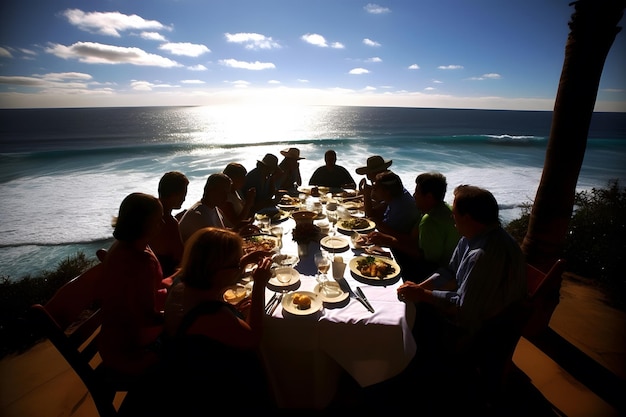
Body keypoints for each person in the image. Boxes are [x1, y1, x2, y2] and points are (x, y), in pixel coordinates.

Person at [120, 227, 275, 415]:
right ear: (216, 270)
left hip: (178, 360)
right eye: (236, 264)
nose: (239, 269)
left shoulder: (181, 282)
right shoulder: (211, 314)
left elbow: (218, 269)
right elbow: (253, 338)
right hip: (203, 385)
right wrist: (259, 285)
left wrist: (244, 261)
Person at [397, 185, 527, 361]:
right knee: (414, 305)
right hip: (473, 306)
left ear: (467, 217)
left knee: (416, 322)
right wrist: (420, 288)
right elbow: (450, 271)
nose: (452, 216)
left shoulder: (483, 255)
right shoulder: (470, 236)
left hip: (484, 326)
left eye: (455, 212)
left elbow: (463, 310)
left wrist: (422, 295)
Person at [98, 192, 168, 378]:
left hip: (112, 342)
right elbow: (146, 317)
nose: (163, 223)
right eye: (158, 220)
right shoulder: (139, 260)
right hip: (130, 351)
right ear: (142, 224)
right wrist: (180, 315)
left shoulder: (124, 245)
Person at [368, 172, 460, 282]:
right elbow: (413, 239)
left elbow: (424, 259)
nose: (414, 196)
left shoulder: (430, 221)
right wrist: (387, 239)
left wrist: (391, 241)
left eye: (417, 192)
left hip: (437, 273)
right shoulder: (443, 208)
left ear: (429, 197)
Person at [149, 171, 189, 278]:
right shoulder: (169, 223)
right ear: (174, 194)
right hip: (164, 276)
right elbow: (181, 256)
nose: (184, 199)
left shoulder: (149, 213)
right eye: (183, 194)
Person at [178, 173, 231, 243]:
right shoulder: (197, 215)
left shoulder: (214, 209)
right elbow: (215, 244)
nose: (226, 197)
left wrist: (238, 230)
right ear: (210, 190)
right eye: (223, 192)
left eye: (227, 193)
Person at [355, 155, 393, 220]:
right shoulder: (391, 182)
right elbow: (378, 201)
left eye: (369, 174)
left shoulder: (390, 189)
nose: (368, 176)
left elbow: (370, 215)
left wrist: (366, 194)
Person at [219, 162, 255, 229]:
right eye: (241, 178)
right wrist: (248, 203)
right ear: (232, 179)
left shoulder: (237, 191)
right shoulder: (225, 198)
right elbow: (235, 223)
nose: (244, 180)